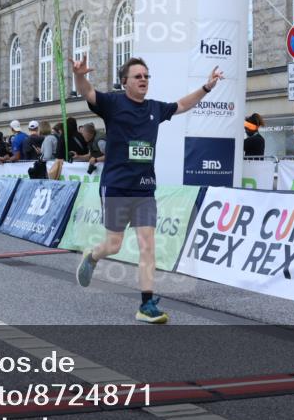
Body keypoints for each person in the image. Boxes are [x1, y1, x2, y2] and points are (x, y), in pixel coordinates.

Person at [72, 54, 224, 324]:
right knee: (114, 245)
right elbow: (88, 92)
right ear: (124, 82)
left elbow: (182, 105)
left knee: (147, 246)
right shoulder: (113, 103)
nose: (143, 80)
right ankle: (93, 255)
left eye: (146, 76)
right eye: (137, 76)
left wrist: (207, 87)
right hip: (117, 186)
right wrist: (80, 76)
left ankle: (145, 304)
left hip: (144, 189)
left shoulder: (154, 108)